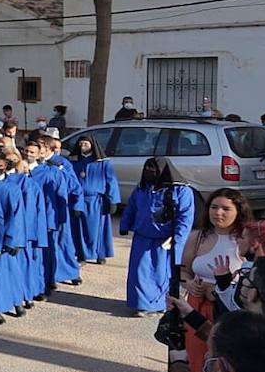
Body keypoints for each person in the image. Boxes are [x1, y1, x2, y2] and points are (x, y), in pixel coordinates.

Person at [180, 187, 254, 372]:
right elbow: (183, 270)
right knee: (197, 361)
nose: (218, 213)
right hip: (196, 308)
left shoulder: (245, 240)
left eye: (225, 209)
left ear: (239, 211)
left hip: (229, 311)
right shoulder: (197, 237)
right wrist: (188, 283)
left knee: (228, 365)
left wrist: (220, 289)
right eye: (213, 207)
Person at [120, 157, 195, 317]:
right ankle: (142, 304)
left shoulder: (181, 191)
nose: (149, 173)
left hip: (165, 241)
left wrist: (178, 239)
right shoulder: (141, 188)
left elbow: (185, 217)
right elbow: (132, 207)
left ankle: (161, 304)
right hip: (142, 238)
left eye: (153, 169)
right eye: (147, 169)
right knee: (140, 272)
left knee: (162, 274)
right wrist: (124, 225)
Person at [70, 135, 120, 265]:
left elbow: (111, 181)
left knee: (98, 229)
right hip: (79, 199)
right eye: (81, 144)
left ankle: (100, 253)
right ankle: (82, 254)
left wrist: (113, 200)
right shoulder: (74, 161)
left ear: (92, 144)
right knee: (81, 229)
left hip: (96, 200)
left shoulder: (102, 162)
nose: (83, 146)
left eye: (86, 143)